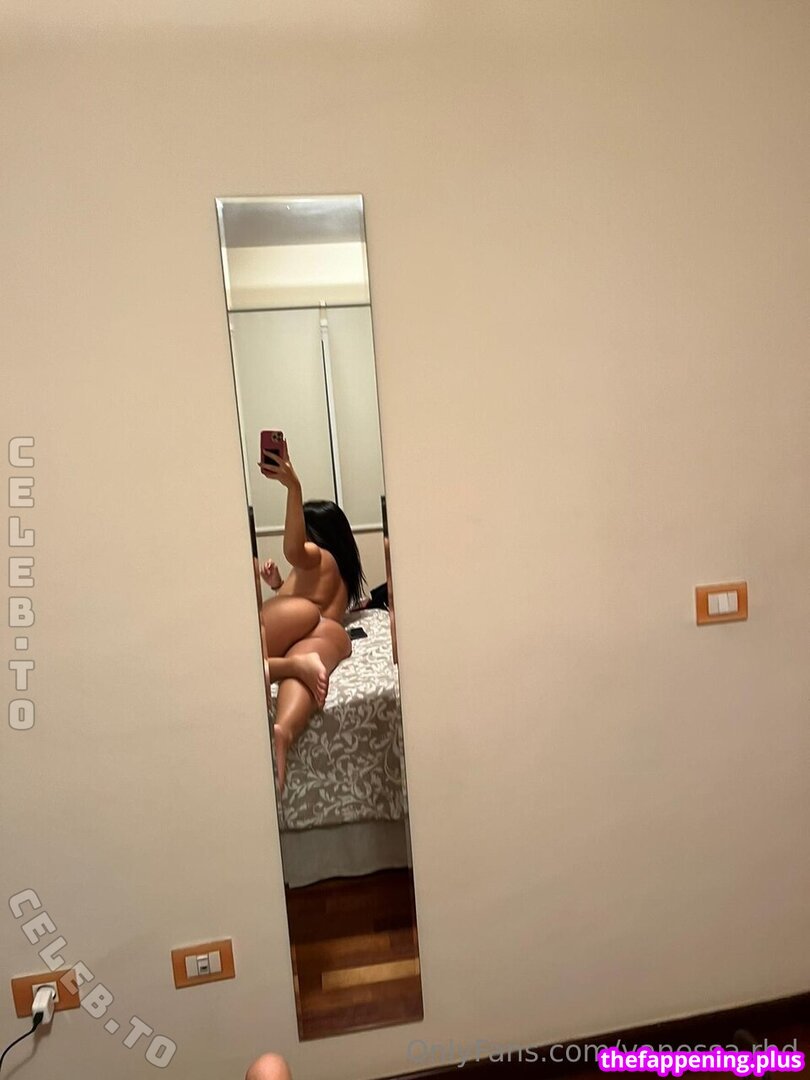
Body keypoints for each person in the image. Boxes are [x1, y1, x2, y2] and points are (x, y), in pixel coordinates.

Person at [258, 445, 365, 790]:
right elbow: (308, 600)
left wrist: (293, 486)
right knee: (310, 664)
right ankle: (285, 729)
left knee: (252, 656)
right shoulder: (337, 572)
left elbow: (293, 550)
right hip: (329, 631)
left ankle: (288, 668)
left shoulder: (317, 556)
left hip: (305, 620)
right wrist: (278, 585)